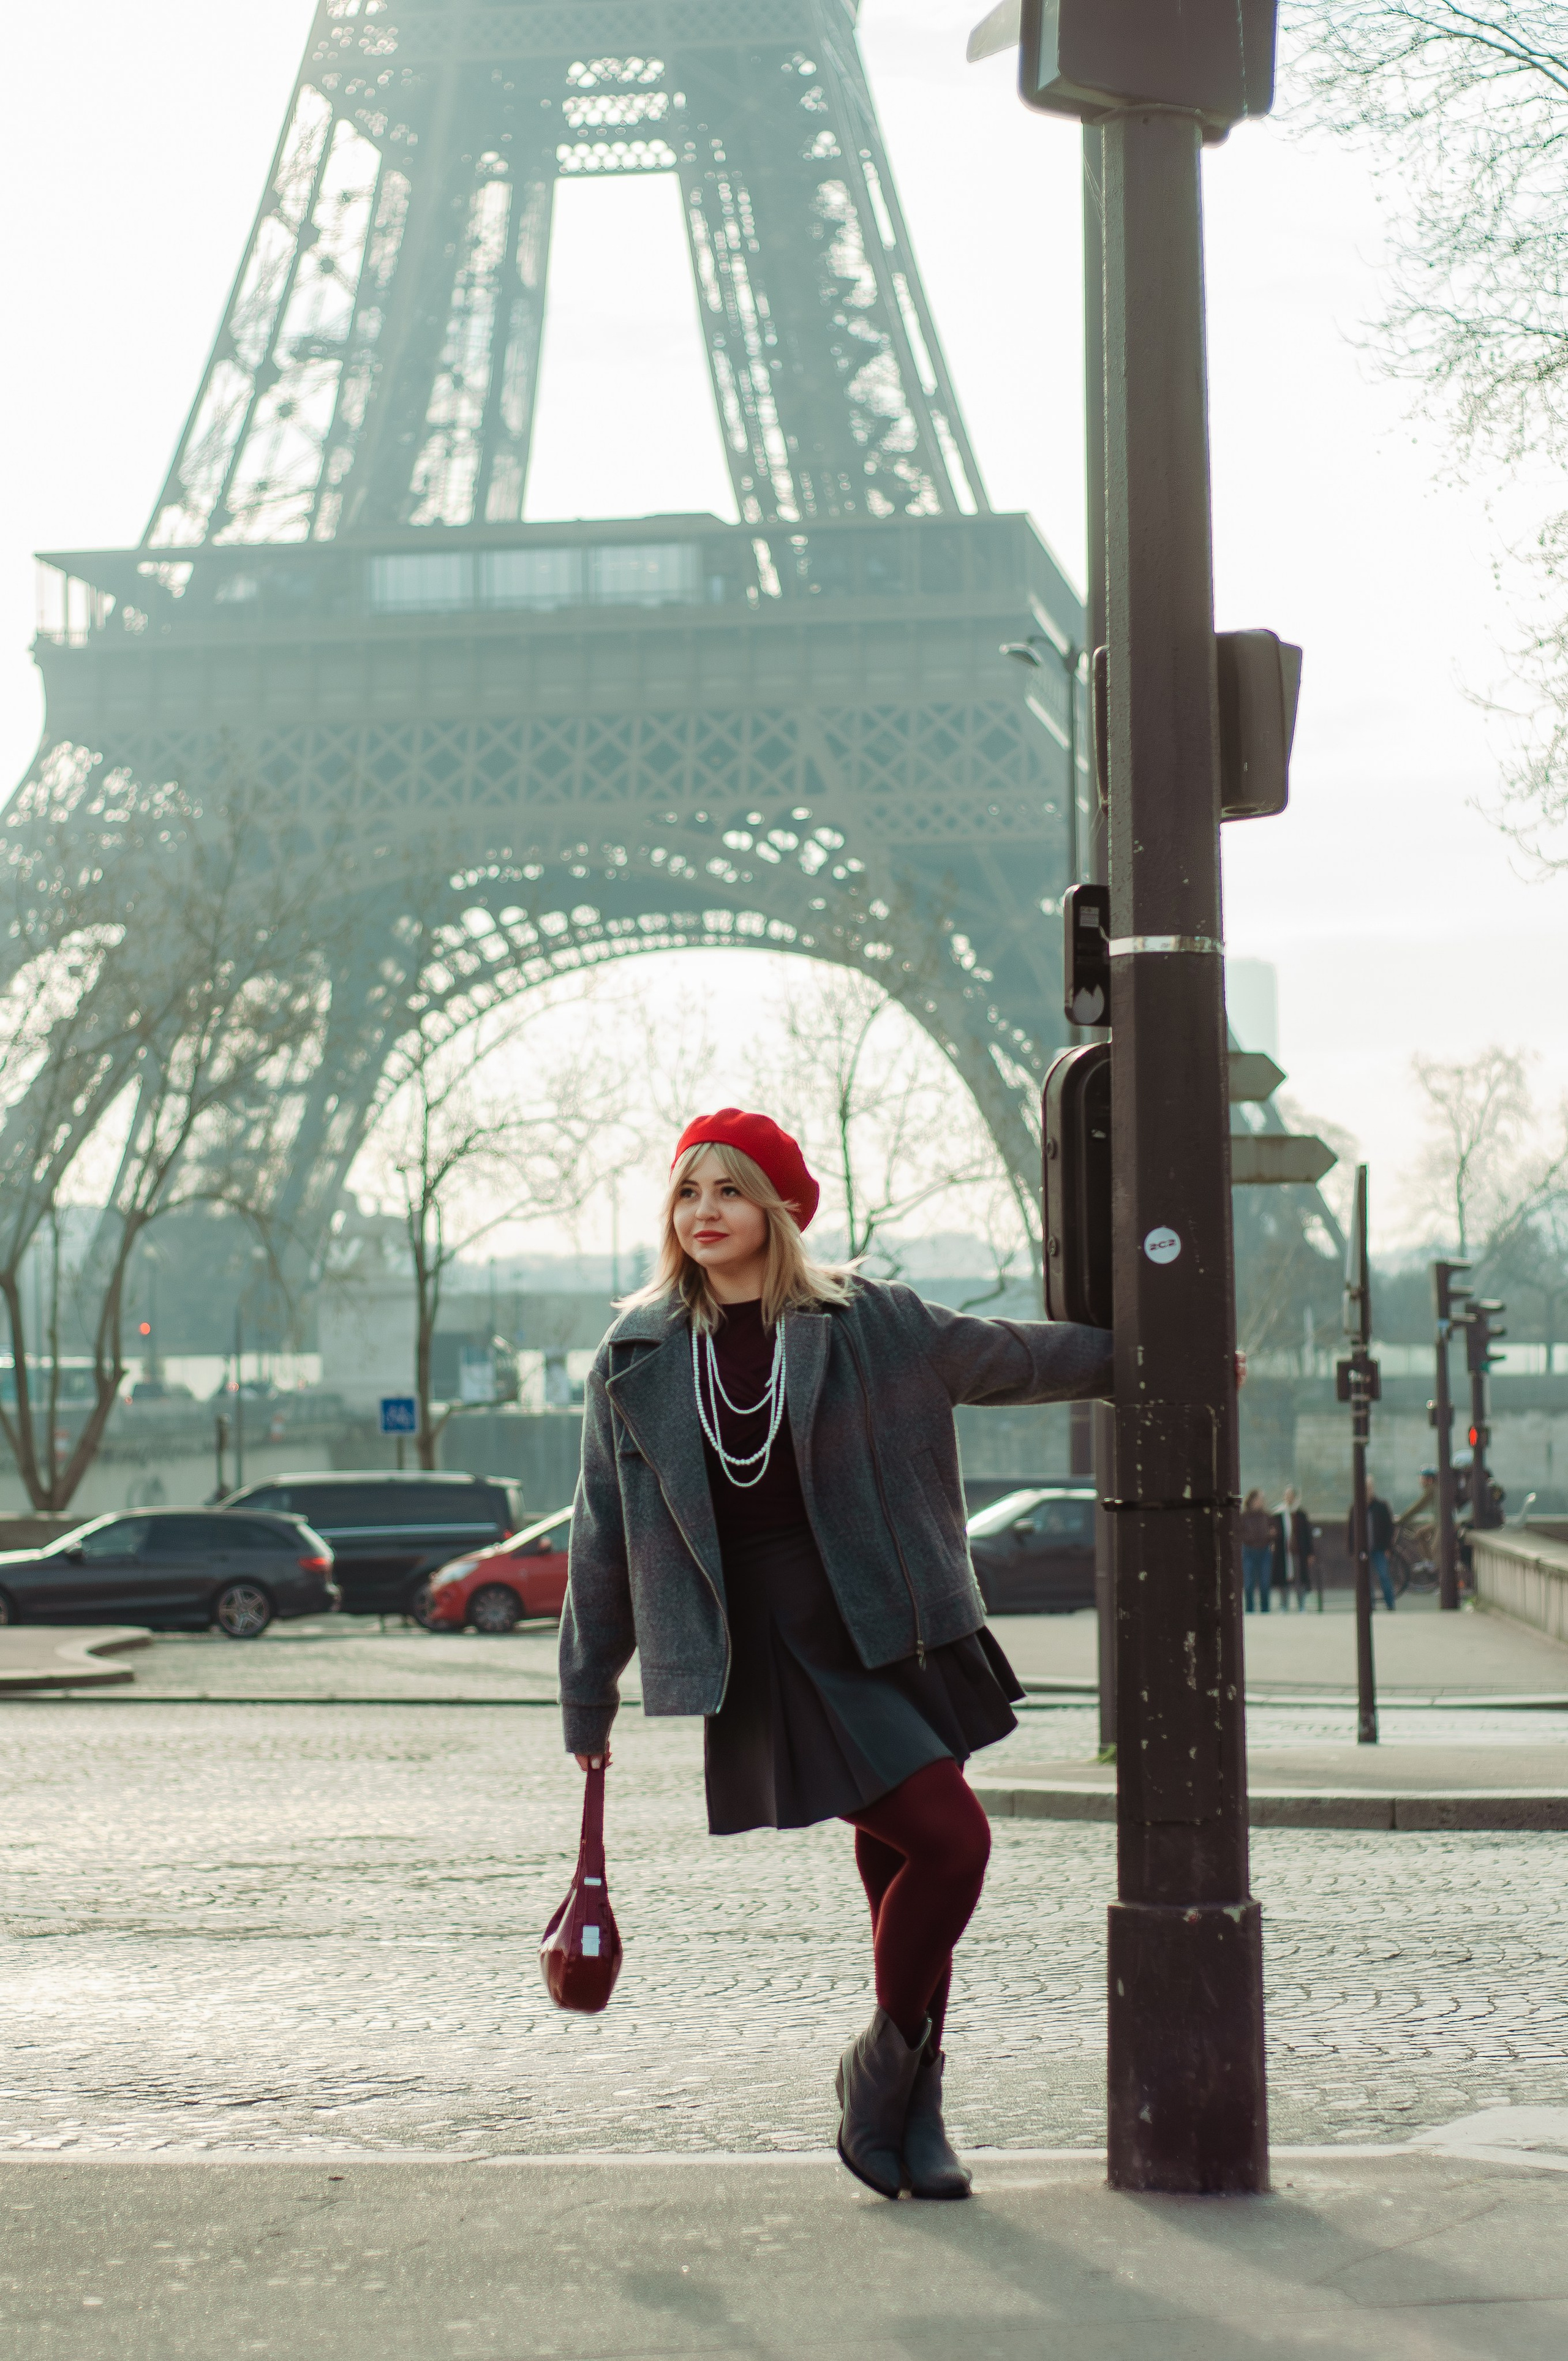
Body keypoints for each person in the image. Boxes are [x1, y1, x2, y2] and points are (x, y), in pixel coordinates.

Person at [559, 1107, 1113, 2203]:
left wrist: (1160, 1361)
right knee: (947, 1843)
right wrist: (589, 1700)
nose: (705, 1212)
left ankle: (907, 2097)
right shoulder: (635, 1356)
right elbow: (598, 1533)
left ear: (776, 1208)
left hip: (884, 1620)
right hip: (764, 1647)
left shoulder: (868, 1323)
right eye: (688, 1193)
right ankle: (892, 2079)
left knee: (914, 1857)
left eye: (729, 1190)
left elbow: (1013, 1357)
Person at [1346, 1475, 1396, 1610]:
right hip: (1363, 1549)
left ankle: (1390, 1604)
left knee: (1384, 1576)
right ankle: (1369, 1605)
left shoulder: (1381, 1506)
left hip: (1379, 1548)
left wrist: (1388, 1548)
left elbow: (1389, 1528)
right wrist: (1352, 1550)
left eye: (1369, 1488)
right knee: (1366, 1579)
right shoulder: (1356, 1508)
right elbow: (1351, 1530)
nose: (1367, 1491)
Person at [1272, 1485, 1316, 1611]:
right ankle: (1283, 1605)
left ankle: (1301, 1605)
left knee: (1300, 1578)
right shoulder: (1279, 1514)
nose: (1289, 1498)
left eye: (1291, 1496)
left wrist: (1310, 1553)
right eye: (1287, 1496)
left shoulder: (1301, 1514)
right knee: (1283, 1578)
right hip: (1283, 1552)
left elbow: (1307, 1535)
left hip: (1298, 1552)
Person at [1240, 1489, 1275, 1613]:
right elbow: (1240, 1533)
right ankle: (1250, 1609)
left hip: (1264, 1550)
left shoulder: (1266, 1516)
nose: (1262, 1502)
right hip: (1249, 1550)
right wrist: (1251, 1537)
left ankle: (1265, 1609)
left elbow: (1274, 1531)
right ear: (1253, 1500)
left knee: (1265, 1582)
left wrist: (1271, 1536)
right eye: (1260, 1499)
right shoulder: (1244, 1516)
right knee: (1249, 1582)